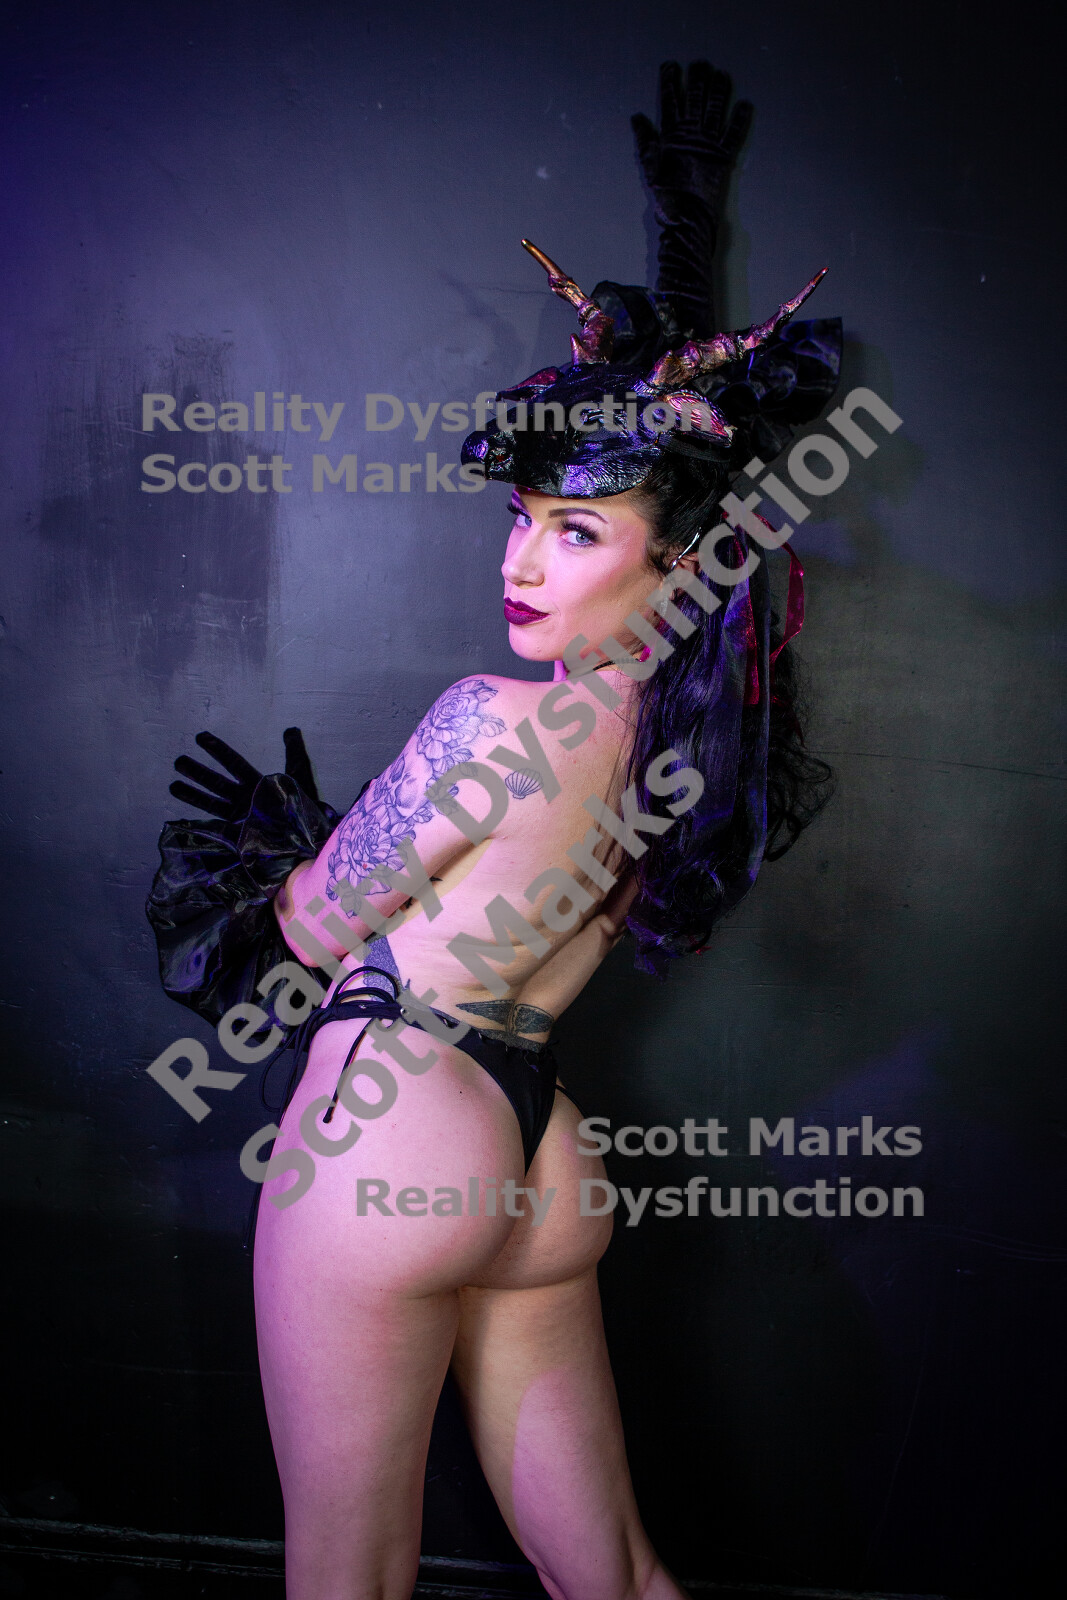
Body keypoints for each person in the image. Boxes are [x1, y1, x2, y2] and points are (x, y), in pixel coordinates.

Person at [147, 62, 840, 1600]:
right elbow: (680, 451)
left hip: (392, 1126)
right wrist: (685, 234)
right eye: (523, 518)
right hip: (541, 1155)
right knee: (618, 1578)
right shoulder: (695, 748)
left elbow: (309, 933)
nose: (523, 560)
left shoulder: (490, 721)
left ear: (675, 565)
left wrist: (281, 859)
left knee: (345, 1575)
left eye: (575, 531)